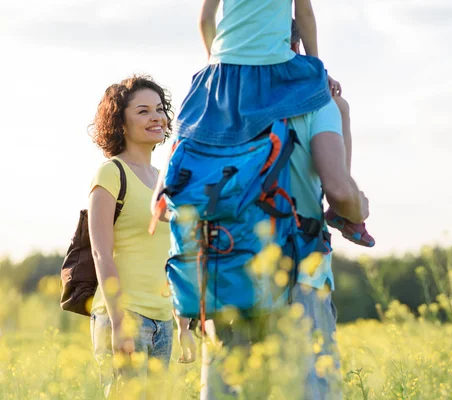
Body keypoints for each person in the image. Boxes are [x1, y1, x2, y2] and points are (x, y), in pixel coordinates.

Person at [152, 0, 370, 398]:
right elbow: (339, 192)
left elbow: (167, 204)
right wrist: (359, 207)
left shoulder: (203, 109)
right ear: (294, 49)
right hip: (300, 280)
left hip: (227, 279)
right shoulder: (316, 100)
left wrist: (216, 69)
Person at [88, 75, 196, 398]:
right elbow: (100, 254)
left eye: (160, 110)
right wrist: (119, 322)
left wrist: (183, 324)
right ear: (120, 123)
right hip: (124, 314)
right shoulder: (110, 174)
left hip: (162, 320)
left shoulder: (165, 181)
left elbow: (172, 255)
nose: (156, 117)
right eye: (143, 111)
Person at [291, 20, 375, 248]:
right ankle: (342, 208)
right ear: (296, 45)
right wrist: (316, 74)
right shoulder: (286, 62)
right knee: (339, 107)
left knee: (339, 106)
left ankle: (340, 205)